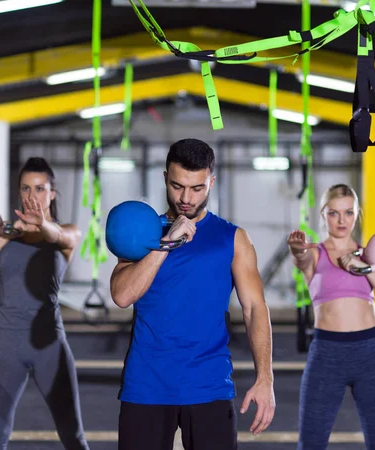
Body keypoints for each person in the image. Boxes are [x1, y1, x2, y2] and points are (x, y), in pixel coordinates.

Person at [110, 138, 275, 450]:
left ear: (211, 182)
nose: (185, 197)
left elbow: (255, 308)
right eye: (177, 186)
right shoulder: (142, 231)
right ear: (165, 179)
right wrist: (167, 244)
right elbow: (122, 295)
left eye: (197, 188)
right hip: (146, 385)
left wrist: (265, 378)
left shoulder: (233, 238)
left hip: (209, 385)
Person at [0, 157, 89, 450]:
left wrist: (42, 224)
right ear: (19, 192)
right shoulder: (5, 234)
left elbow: (57, 234)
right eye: (26, 188)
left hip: (50, 347)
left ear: (52, 193)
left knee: (73, 437)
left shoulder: (66, 234)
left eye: (40, 188)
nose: (33, 196)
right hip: (6, 347)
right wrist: (4, 237)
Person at [288, 183, 375, 450]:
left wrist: (363, 268)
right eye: (334, 213)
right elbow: (300, 259)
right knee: (311, 443)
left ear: (357, 214)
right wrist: (297, 248)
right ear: (323, 215)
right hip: (327, 354)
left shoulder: (371, 255)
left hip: (371, 355)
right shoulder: (315, 253)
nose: (342, 220)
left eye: (348, 212)